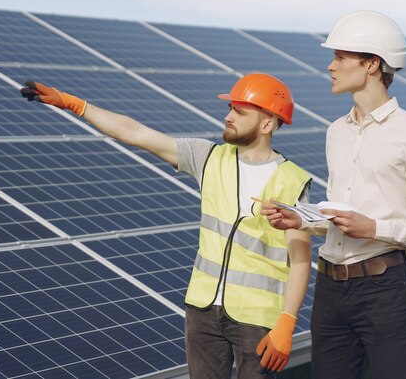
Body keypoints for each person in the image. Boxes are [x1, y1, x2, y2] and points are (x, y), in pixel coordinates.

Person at [19, 73, 313, 378]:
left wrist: (287, 322)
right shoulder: (209, 157)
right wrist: (76, 105)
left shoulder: (291, 180)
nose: (228, 117)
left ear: (267, 124)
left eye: (239, 112)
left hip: (257, 319)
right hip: (201, 311)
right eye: (230, 109)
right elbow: (136, 133)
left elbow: (301, 260)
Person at [261, 10, 406, 379]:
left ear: (372, 64)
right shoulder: (336, 132)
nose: (330, 66)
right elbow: (342, 215)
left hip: (384, 291)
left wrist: (373, 227)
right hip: (330, 291)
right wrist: (304, 219)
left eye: (340, 57)